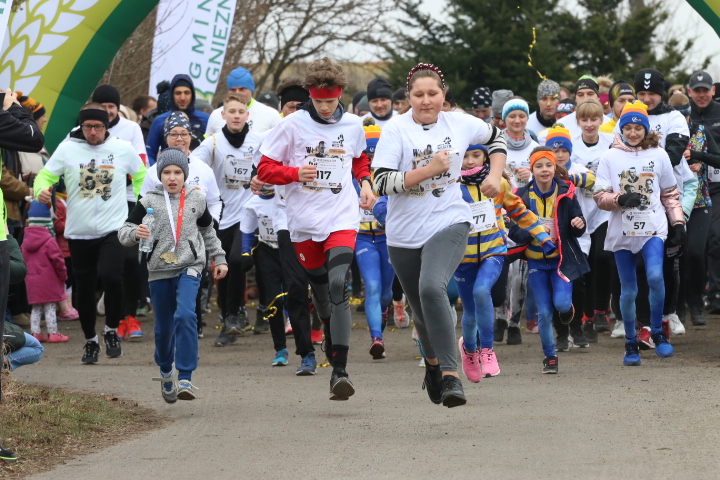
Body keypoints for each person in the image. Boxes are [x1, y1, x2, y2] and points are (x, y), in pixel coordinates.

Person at [373, 62, 507, 407]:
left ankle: (451, 375)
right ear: (408, 98)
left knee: (432, 287)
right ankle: (432, 366)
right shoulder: (396, 131)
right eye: (419, 95)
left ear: (443, 96)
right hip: (403, 234)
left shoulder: (460, 123)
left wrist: (495, 174)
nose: (426, 100)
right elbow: (381, 182)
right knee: (421, 311)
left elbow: (497, 137)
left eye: (433, 93)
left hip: (450, 221)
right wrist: (428, 170)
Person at [258, 57, 374, 401]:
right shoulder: (291, 125)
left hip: (341, 216)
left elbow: (359, 159)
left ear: (340, 96)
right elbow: (264, 169)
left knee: (339, 284)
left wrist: (365, 182)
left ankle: (340, 370)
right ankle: (327, 325)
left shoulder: (353, 125)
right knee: (321, 291)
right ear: (310, 95)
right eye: (319, 101)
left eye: (331, 101)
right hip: (303, 223)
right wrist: (295, 174)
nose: (325, 107)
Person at [34, 103, 146, 364]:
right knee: (84, 289)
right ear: (81, 127)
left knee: (112, 277)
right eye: (87, 127)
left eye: (98, 127)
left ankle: (110, 331)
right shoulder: (68, 148)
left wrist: (142, 203)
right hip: (79, 231)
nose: (93, 132)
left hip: (114, 228)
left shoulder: (121, 149)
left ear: (106, 126)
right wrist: (42, 189)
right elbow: (44, 176)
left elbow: (141, 175)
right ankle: (90, 341)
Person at [119, 148, 227, 402]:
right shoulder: (148, 201)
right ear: (159, 175)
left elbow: (208, 231)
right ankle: (166, 370)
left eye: (177, 172)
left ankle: (186, 376)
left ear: (185, 175)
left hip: (190, 265)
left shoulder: (197, 200)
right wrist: (136, 234)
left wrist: (219, 258)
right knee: (164, 328)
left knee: (186, 314)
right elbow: (124, 232)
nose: (172, 177)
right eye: (166, 172)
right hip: (159, 270)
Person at [594, 101, 685, 365]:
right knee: (629, 289)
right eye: (628, 127)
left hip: (653, 227)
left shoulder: (659, 155)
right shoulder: (609, 157)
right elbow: (599, 196)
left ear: (646, 129)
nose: (633, 133)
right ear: (621, 128)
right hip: (623, 231)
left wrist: (677, 223)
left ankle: (658, 332)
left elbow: (669, 193)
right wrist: (620, 200)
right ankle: (631, 343)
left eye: (638, 128)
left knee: (656, 276)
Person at [455, 144, 551, 382]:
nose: (469, 161)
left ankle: (487, 350)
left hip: (494, 251)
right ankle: (469, 350)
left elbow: (519, 211)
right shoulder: (449, 188)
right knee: (469, 313)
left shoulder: (499, 184)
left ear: (486, 156)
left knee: (481, 291)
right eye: (464, 156)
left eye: (475, 155)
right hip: (462, 257)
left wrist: (541, 234)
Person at [192, 94, 266, 343]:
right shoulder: (212, 144)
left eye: (240, 111)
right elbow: (193, 169)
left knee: (236, 260)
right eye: (231, 111)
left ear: (247, 115)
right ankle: (228, 320)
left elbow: (273, 165)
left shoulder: (259, 142)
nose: (236, 115)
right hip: (222, 215)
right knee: (222, 269)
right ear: (222, 115)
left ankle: (241, 314)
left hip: (250, 213)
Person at [512, 147, 589, 373]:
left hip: (560, 262)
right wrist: (535, 231)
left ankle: (568, 309)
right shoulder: (523, 196)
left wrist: (578, 224)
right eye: (539, 166)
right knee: (544, 312)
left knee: (562, 305)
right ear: (532, 169)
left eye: (548, 165)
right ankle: (550, 356)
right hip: (536, 262)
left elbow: (578, 223)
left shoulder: (566, 192)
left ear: (555, 168)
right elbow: (514, 232)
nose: (544, 170)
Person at [675, 92, 720, 334]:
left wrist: (699, 157)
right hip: (673, 203)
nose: (681, 121)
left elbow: (718, 159)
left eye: (684, 117)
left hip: (701, 202)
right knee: (678, 254)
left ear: (689, 116)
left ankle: (696, 305)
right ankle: (679, 306)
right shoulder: (667, 137)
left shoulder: (701, 132)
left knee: (695, 252)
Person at [355, 125, 395, 359]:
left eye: (375, 155)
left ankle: (384, 309)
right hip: (362, 239)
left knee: (385, 292)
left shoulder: (389, 176)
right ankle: (376, 338)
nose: (370, 161)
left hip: (388, 239)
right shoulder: (353, 178)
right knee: (372, 286)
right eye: (366, 156)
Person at [687, 71, 720, 314]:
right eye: (696, 90)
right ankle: (691, 295)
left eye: (704, 90)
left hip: (716, 187)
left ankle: (714, 293)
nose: (701, 95)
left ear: (713, 91)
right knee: (693, 246)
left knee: (715, 239)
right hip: (687, 188)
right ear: (689, 92)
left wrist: (702, 159)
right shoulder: (681, 115)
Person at [21, 201, 69, 343]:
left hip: (32, 282)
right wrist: (63, 276)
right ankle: (53, 333)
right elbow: (59, 261)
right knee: (50, 307)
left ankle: (35, 333)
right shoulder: (49, 241)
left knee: (36, 309)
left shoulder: (25, 242)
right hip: (49, 282)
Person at [146, 74, 210, 165]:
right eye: (178, 93)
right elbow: (149, 154)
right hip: (168, 175)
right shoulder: (159, 121)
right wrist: (158, 173)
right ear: (172, 95)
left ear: (193, 94)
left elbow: (213, 153)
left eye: (187, 93)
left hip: (198, 175)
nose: (182, 98)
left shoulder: (206, 119)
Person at [205, 66, 281, 135]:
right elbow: (208, 146)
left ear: (251, 90)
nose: (237, 93)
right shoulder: (216, 114)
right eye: (233, 90)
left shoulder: (271, 114)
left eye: (242, 89)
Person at [502, 98, 537, 188]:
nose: (517, 121)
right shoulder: (495, 145)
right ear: (504, 118)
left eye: (522, 116)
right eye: (512, 116)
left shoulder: (535, 148)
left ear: (527, 118)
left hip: (528, 199)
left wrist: (531, 175)